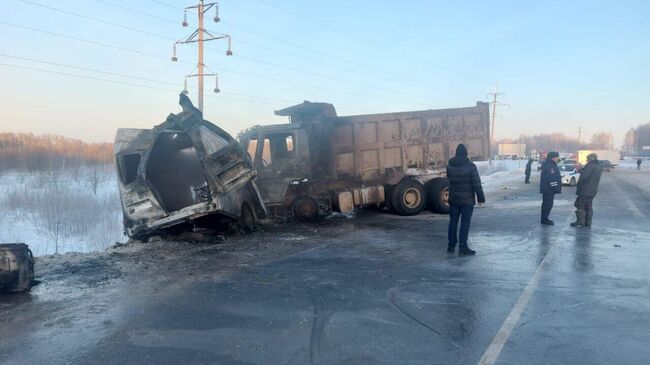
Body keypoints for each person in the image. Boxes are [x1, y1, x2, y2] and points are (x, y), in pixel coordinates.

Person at [446, 144, 486, 255]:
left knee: (453, 222)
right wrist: (481, 198)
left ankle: (451, 246)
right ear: (466, 153)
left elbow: (449, 179)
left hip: (453, 199)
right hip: (467, 201)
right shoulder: (471, 166)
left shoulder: (449, 166)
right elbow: (476, 184)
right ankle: (463, 247)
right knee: (465, 223)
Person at [571, 153, 603, 227]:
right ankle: (588, 222)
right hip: (593, 191)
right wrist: (580, 170)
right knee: (588, 206)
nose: (586, 160)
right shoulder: (599, 166)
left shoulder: (589, 166)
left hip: (584, 190)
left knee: (580, 205)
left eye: (587, 158)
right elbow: (590, 175)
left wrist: (578, 185)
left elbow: (583, 177)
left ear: (591, 159)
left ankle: (580, 221)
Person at [540, 151, 562, 225]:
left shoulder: (548, 164)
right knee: (548, 205)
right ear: (553, 157)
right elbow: (552, 178)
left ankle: (545, 218)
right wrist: (556, 188)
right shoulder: (550, 166)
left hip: (547, 189)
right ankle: (545, 219)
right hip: (549, 189)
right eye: (557, 157)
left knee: (546, 204)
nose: (558, 158)